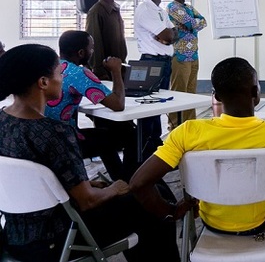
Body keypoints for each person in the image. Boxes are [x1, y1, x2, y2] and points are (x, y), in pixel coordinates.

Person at [0, 44, 178, 262]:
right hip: (60, 236)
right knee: (150, 196)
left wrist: (89, 184)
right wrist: (114, 188)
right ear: (43, 82)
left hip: (15, 234)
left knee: (146, 193)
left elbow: (31, 174)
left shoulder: (4, 121)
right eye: (59, 73)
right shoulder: (56, 132)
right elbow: (88, 202)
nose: (63, 79)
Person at [130, 57, 265, 237]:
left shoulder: (188, 132)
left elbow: (138, 183)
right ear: (255, 92)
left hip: (212, 223)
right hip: (261, 221)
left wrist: (171, 211)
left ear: (217, 96)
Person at [44, 30, 137, 181]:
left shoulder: (52, 67)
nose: (93, 51)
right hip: (66, 142)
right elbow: (118, 104)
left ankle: (119, 178)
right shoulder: (79, 73)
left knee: (102, 135)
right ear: (81, 52)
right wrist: (116, 71)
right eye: (91, 48)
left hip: (46, 137)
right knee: (131, 135)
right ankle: (128, 182)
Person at [133, 0, 177, 159]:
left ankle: (155, 143)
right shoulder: (144, 10)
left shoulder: (160, 10)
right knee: (149, 105)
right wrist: (166, 36)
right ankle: (144, 148)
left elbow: (174, 34)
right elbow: (167, 34)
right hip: (151, 62)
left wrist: (167, 36)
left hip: (164, 61)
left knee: (159, 103)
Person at [166, 0, 207, 129]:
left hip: (193, 54)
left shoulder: (188, 7)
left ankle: (190, 125)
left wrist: (191, 24)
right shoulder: (172, 7)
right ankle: (175, 126)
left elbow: (203, 21)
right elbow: (191, 23)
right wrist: (191, 24)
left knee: (191, 93)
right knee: (179, 92)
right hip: (180, 55)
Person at [85, 0, 127, 81]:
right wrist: (99, 71)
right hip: (105, 71)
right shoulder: (96, 11)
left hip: (118, 66)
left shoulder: (115, 8)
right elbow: (94, 42)